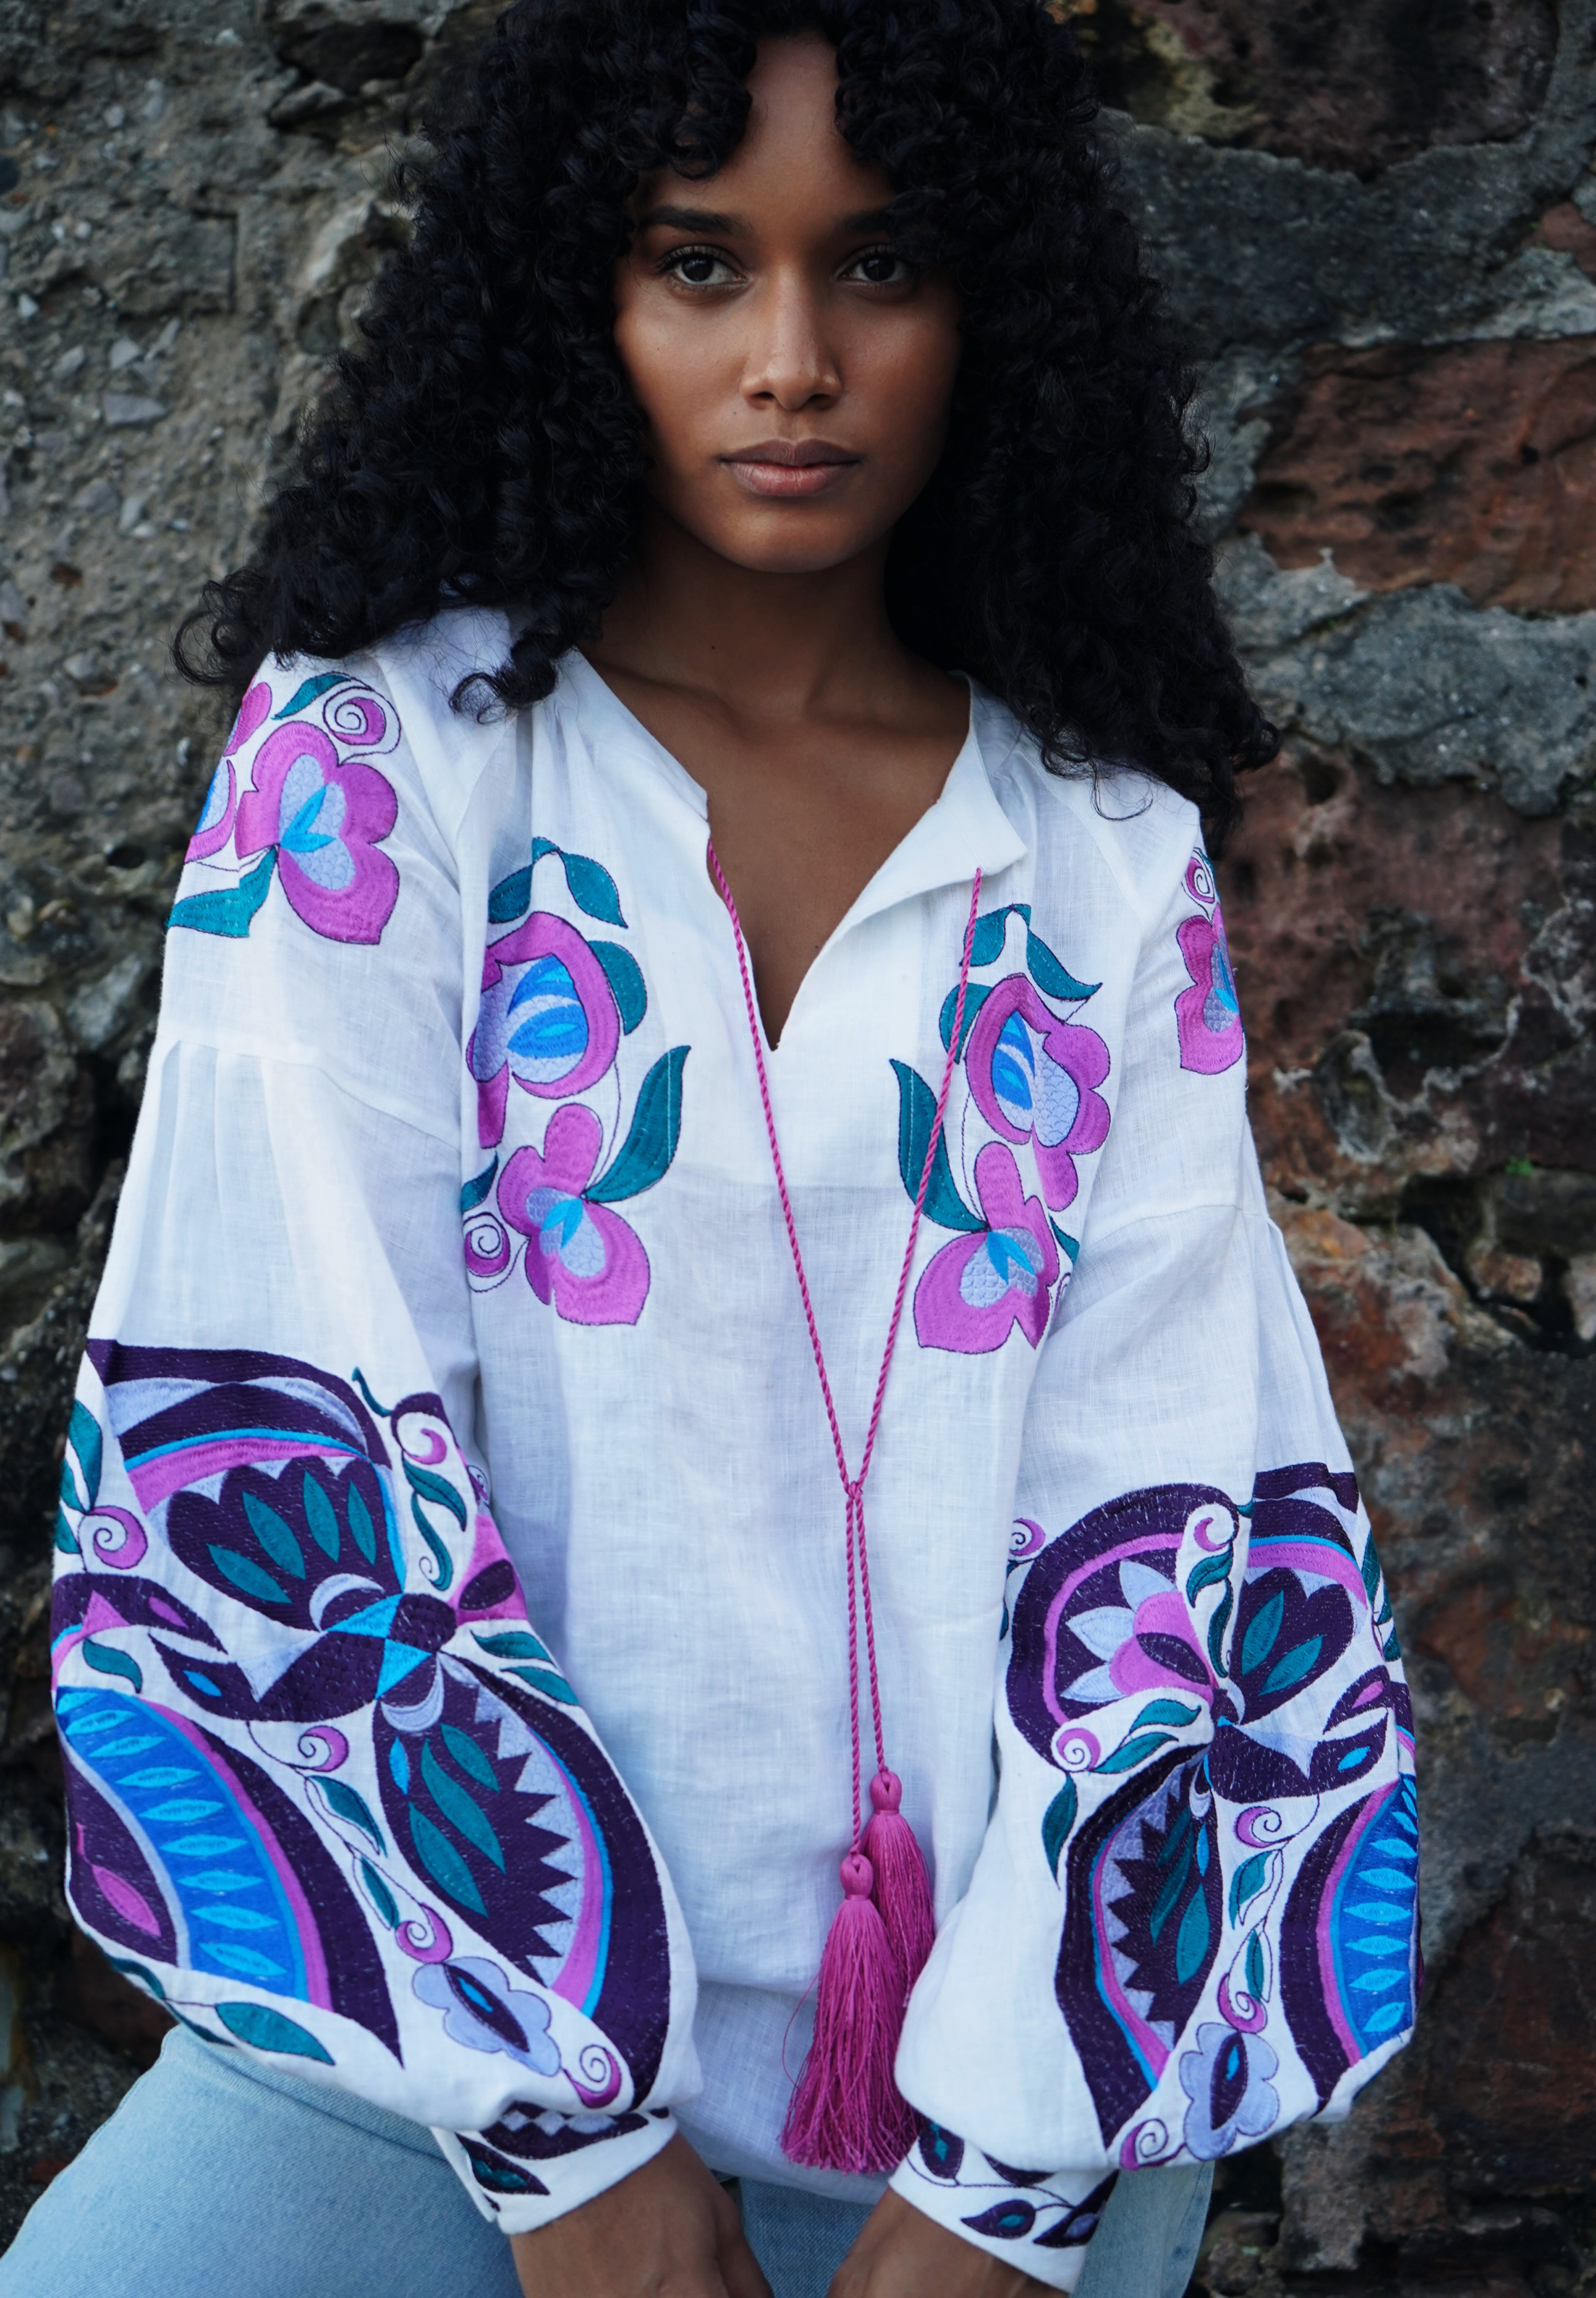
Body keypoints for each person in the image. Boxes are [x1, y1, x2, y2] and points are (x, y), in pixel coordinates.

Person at [3, 5, 1421, 2295]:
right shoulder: (384, 761)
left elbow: (1195, 1494)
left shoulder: (1098, 835)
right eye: (697, 263)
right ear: (575, 293)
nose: (793, 358)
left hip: (994, 2129)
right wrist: (578, 2155)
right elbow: (276, 1413)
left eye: (877, 268)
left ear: (995, 310)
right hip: (423, 2069)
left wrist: (1002, 2196)